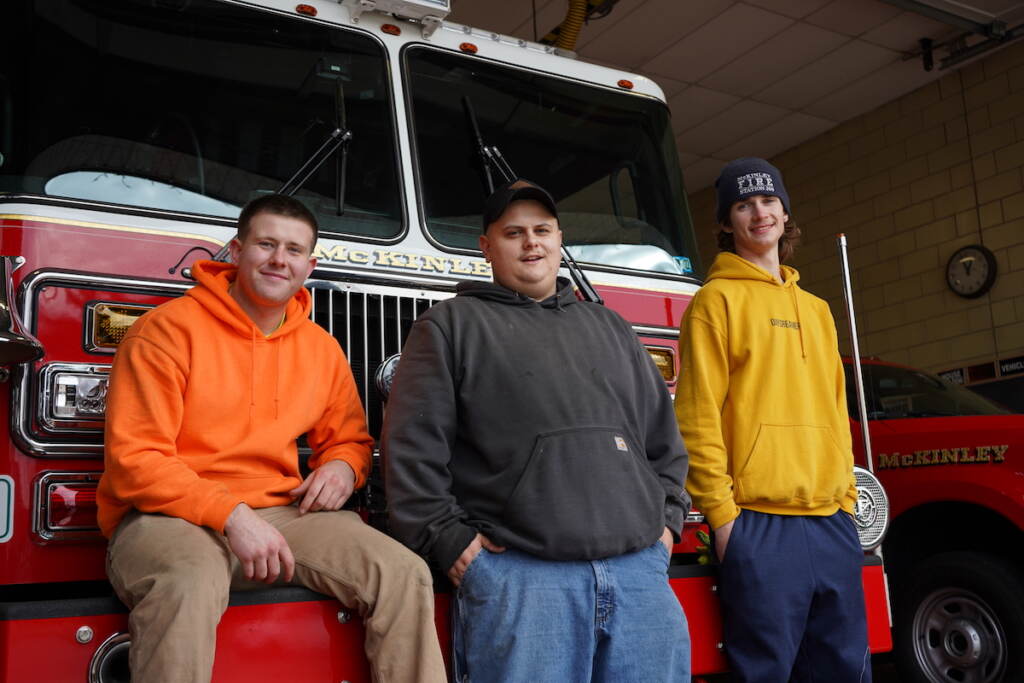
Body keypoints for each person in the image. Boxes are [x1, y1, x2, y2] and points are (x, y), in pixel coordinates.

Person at [96, 194, 447, 683]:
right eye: (266, 244)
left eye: (294, 250)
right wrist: (231, 514)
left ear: (310, 264)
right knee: (189, 580)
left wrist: (343, 467)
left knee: (404, 573)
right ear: (236, 253)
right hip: (166, 518)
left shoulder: (320, 348)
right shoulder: (165, 332)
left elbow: (349, 438)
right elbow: (137, 460)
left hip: (281, 516)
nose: (280, 259)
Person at [382, 179, 691, 682]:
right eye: (514, 232)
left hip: (639, 575)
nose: (532, 243)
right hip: (522, 582)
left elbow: (663, 438)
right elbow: (411, 449)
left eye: (542, 230)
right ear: (486, 247)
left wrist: (666, 523)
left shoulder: (611, 327)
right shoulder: (449, 325)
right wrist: (447, 538)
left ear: (559, 239)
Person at [675, 158, 870, 682]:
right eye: (743, 204)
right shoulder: (714, 302)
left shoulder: (819, 309)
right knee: (765, 673)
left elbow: (835, 407)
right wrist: (723, 519)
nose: (758, 212)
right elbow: (696, 417)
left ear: (785, 214)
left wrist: (847, 501)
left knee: (845, 671)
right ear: (725, 223)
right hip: (757, 525)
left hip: (832, 520)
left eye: (767, 201)